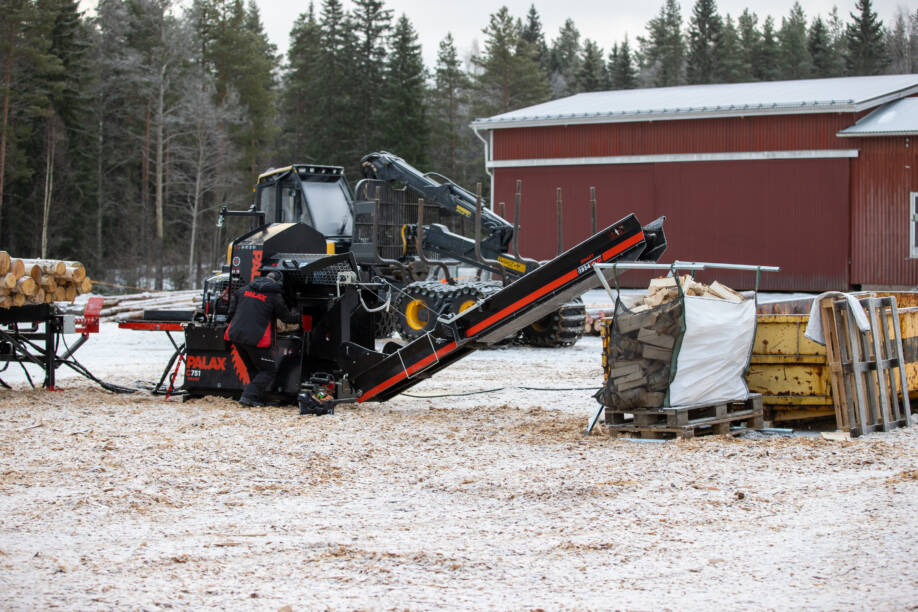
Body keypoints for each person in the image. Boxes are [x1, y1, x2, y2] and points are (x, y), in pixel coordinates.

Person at [225, 270, 300, 407]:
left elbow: (230, 313)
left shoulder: (243, 290)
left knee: (253, 368)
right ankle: (248, 396)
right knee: (268, 370)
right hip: (255, 338)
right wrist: (300, 316)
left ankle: (256, 398)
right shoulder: (274, 295)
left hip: (235, 335)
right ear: (278, 283)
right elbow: (286, 318)